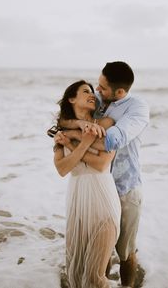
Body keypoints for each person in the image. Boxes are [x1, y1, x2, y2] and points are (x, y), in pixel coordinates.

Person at [59, 62, 149, 288]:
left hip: (125, 189)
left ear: (119, 92)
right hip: (98, 190)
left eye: (102, 87)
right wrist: (76, 124)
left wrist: (70, 138)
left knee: (126, 252)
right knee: (101, 252)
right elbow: (62, 117)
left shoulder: (136, 109)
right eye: (96, 86)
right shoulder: (100, 100)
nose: (97, 91)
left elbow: (112, 140)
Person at [53, 80, 121, 288]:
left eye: (93, 91)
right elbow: (63, 169)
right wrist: (82, 142)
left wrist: (73, 143)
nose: (92, 94)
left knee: (94, 278)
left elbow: (101, 164)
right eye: (85, 91)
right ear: (72, 99)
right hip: (77, 204)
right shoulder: (61, 131)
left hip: (103, 198)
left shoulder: (107, 124)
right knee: (77, 275)